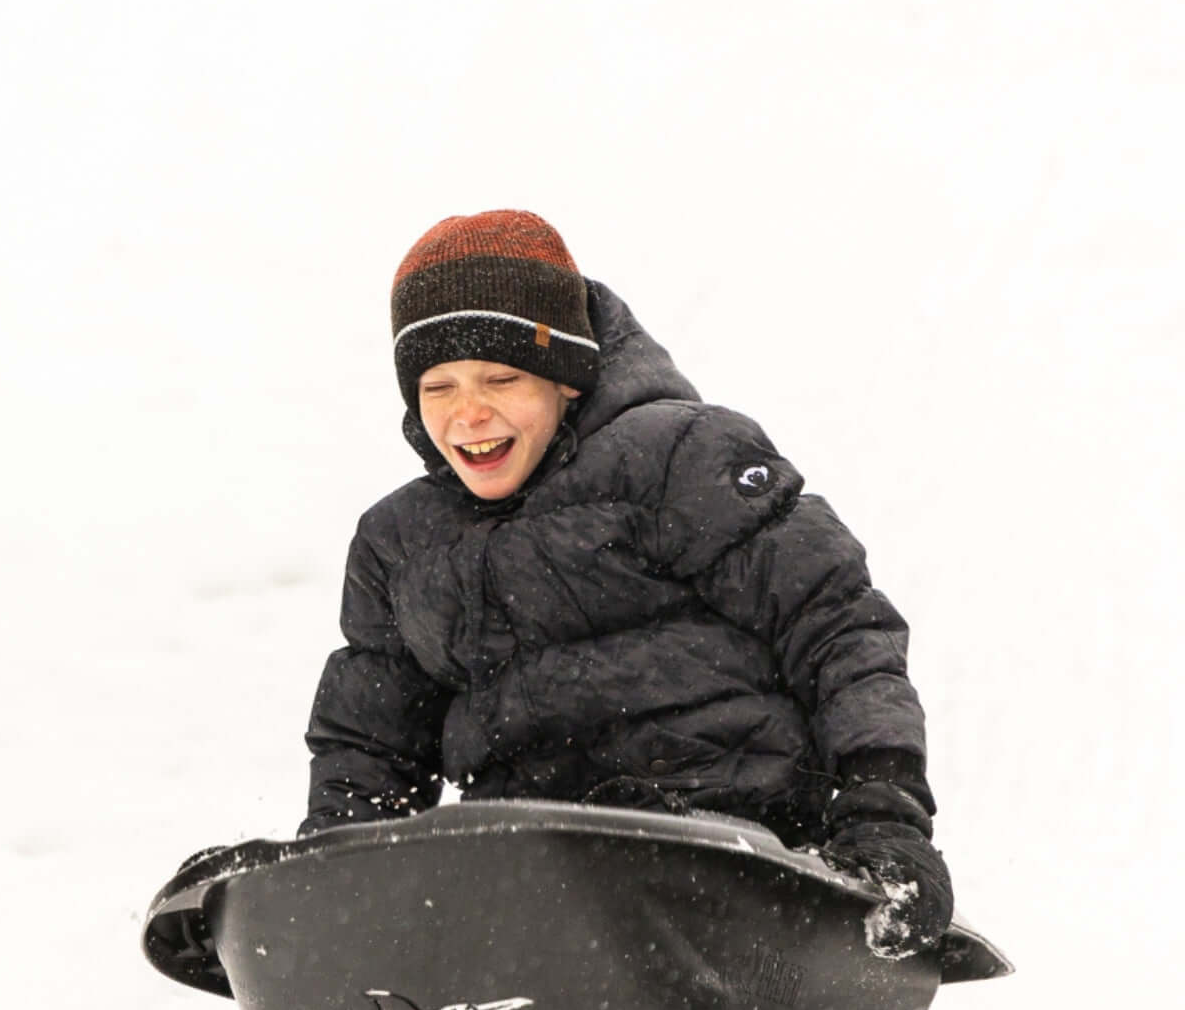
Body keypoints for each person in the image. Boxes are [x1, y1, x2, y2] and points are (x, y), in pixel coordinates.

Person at [301, 209, 952, 957]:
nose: (468, 413)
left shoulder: (679, 459)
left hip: (735, 850)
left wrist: (884, 811)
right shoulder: (400, 544)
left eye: (503, 378)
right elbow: (371, 742)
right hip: (531, 878)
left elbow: (837, 627)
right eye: (437, 386)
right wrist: (329, 883)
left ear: (568, 379)